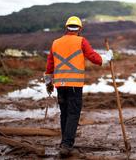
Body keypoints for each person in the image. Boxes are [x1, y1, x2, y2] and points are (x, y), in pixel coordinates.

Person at [44, 16, 113, 157]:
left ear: (66, 27)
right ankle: (66, 145)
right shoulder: (81, 41)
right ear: (80, 29)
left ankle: (65, 142)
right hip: (74, 85)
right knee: (73, 114)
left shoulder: (55, 43)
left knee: (65, 113)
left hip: (60, 85)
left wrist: (48, 82)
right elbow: (93, 57)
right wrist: (107, 57)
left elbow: (50, 65)